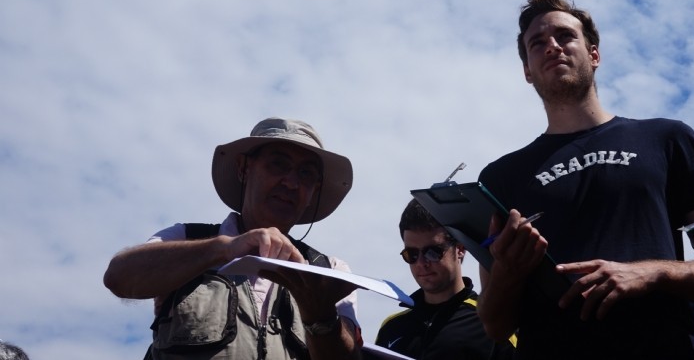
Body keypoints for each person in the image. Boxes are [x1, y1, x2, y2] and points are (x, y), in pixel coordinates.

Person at [476, 0, 694, 359]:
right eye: (537, 43)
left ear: (594, 54)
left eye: (566, 36)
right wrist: (508, 271)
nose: (552, 46)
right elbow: (495, 325)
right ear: (527, 71)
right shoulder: (501, 177)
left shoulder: (665, 138)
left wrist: (652, 274)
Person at [104, 117, 362, 360]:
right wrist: (224, 249)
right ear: (244, 169)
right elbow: (119, 276)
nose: (292, 182)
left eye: (306, 174)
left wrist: (320, 317)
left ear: (313, 192)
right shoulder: (185, 237)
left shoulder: (330, 272)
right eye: (279, 164)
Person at [375, 199, 513, 360]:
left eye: (432, 252)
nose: (421, 263)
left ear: (460, 249)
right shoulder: (391, 327)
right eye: (411, 254)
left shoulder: (494, 321)